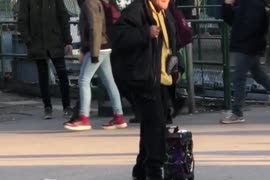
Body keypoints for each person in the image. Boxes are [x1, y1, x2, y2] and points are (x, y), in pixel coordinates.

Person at [110, 0, 176, 179]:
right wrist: (145, 32)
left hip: (161, 78)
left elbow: (170, 45)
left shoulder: (164, 13)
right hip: (143, 78)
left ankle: (141, 168)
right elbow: (116, 35)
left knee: (152, 124)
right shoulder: (137, 10)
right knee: (156, 126)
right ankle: (154, 170)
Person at [220, 0, 270, 124]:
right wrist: (227, 5)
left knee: (239, 78)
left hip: (247, 46)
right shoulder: (244, 3)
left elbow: (252, 26)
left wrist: (243, 40)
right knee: (259, 76)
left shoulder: (255, 4)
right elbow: (231, 20)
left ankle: (237, 112)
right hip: (247, 45)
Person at [64, 0, 127, 131]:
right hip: (104, 45)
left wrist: (92, 53)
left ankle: (84, 118)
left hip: (97, 47)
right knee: (109, 82)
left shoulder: (88, 3)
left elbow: (94, 26)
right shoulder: (94, 2)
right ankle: (118, 116)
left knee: (83, 80)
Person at [18, 0, 73, 119]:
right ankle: (47, 107)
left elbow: (63, 16)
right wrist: (28, 41)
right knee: (43, 76)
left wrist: (67, 40)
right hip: (38, 43)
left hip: (55, 41)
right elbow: (22, 21)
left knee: (62, 74)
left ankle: (67, 106)